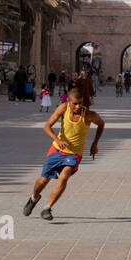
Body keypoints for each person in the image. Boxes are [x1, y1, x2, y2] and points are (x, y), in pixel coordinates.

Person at [23, 86, 105, 221]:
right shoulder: (63, 108)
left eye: (81, 103)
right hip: (56, 149)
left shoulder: (90, 115)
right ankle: (34, 198)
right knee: (43, 180)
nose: (78, 106)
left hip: (74, 154)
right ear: (69, 102)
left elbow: (101, 124)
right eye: (75, 103)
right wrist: (57, 139)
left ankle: (47, 208)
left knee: (64, 175)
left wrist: (95, 143)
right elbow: (47, 126)